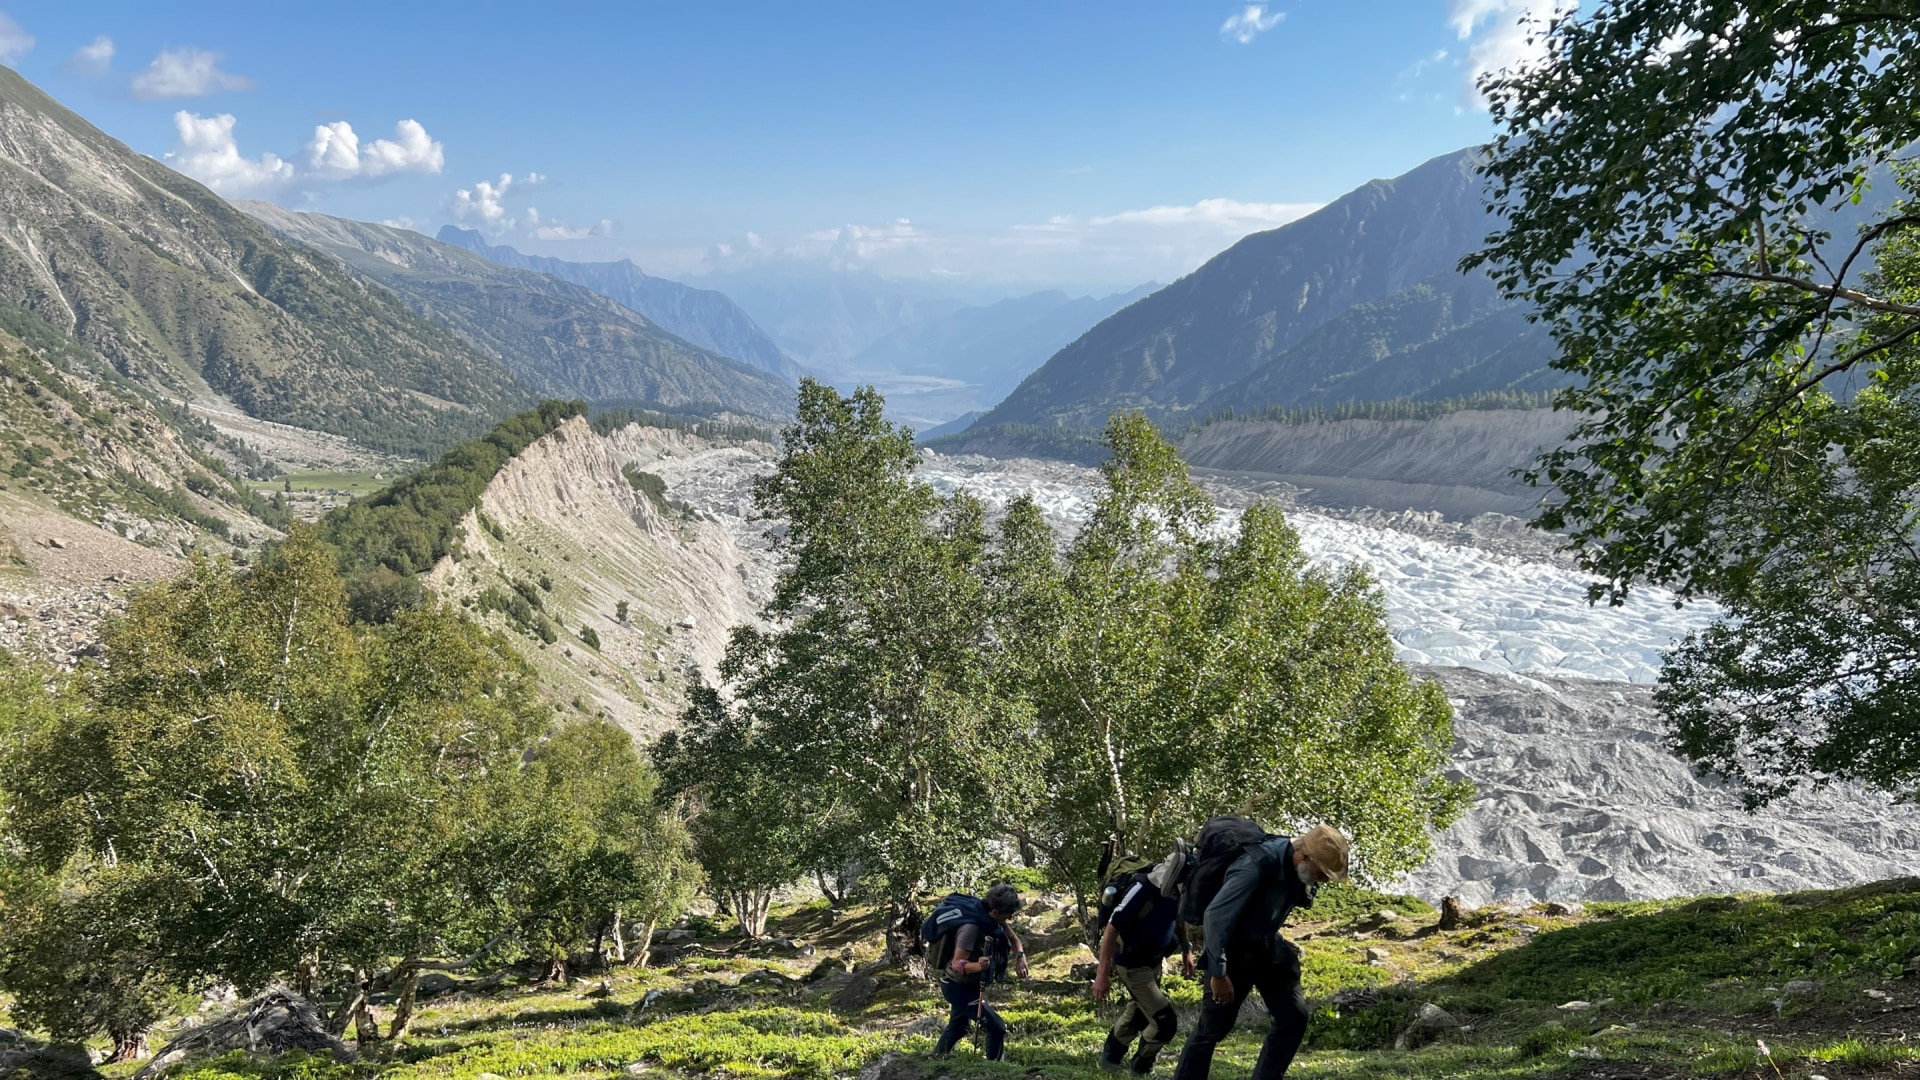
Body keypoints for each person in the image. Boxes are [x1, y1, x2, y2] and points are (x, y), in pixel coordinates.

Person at [1171, 823, 1350, 1080]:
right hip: (1233, 953)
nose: (1322, 879)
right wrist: (1218, 972)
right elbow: (1215, 918)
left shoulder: (1296, 868)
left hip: (1266, 947)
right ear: (1304, 856)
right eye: (1321, 873)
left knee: (1293, 1019)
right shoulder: (1255, 865)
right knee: (1213, 1028)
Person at [1094, 855, 1193, 1074]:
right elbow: (1111, 930)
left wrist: (1187, 950)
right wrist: (1102, 975)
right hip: (1131, 962)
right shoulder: (1143, 888)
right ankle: (1141, 1067)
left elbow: (1180, 916)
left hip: (1154, 958)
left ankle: (1111, 1056)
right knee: (1165, 1022)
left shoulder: (1180, 887)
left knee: (1139, 1011)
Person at [932, 882, 1030, 1061]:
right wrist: (977, 966)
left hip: (969, 984)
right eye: (1008, 914)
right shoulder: (972, 928)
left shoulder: (994, 920)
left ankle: (937, 1059)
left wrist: (1020, 957)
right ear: (995, 911)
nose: (1010, 918)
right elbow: (957, 963)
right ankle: (994, 1067)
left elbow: (1013, 939)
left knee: (959, 1027)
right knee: (996, 1027)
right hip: (957, 986)